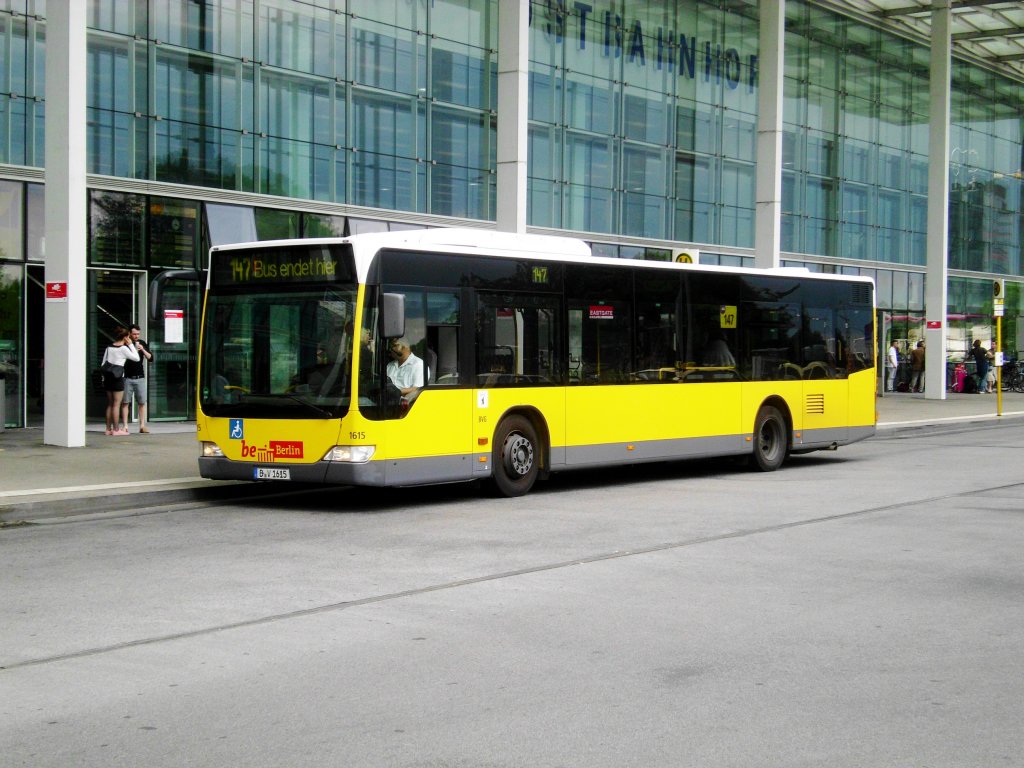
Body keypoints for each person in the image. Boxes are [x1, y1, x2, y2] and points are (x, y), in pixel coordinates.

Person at [101, 326, 141, 436]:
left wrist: (103, 377)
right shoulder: (123, 348)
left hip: (108, 376)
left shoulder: (109, 347)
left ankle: (108, 429)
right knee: (116, 404)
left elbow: (103, 362)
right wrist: (131, 345)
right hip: (117, 377)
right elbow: (136, 358)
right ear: (126, 337)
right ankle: (117, 429)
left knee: (110, 404)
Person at [119, 324, 154, 434]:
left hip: (140, 377)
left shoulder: (142, 343)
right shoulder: (125, 344)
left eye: (138, 334)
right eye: (134, 334)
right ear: (129, 333)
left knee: (141, 402)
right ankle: (125, 426)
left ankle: (142, 425)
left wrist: (143, 350)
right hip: (127, 377)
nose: (136, 336)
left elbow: (150, 358)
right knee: (125, 402)